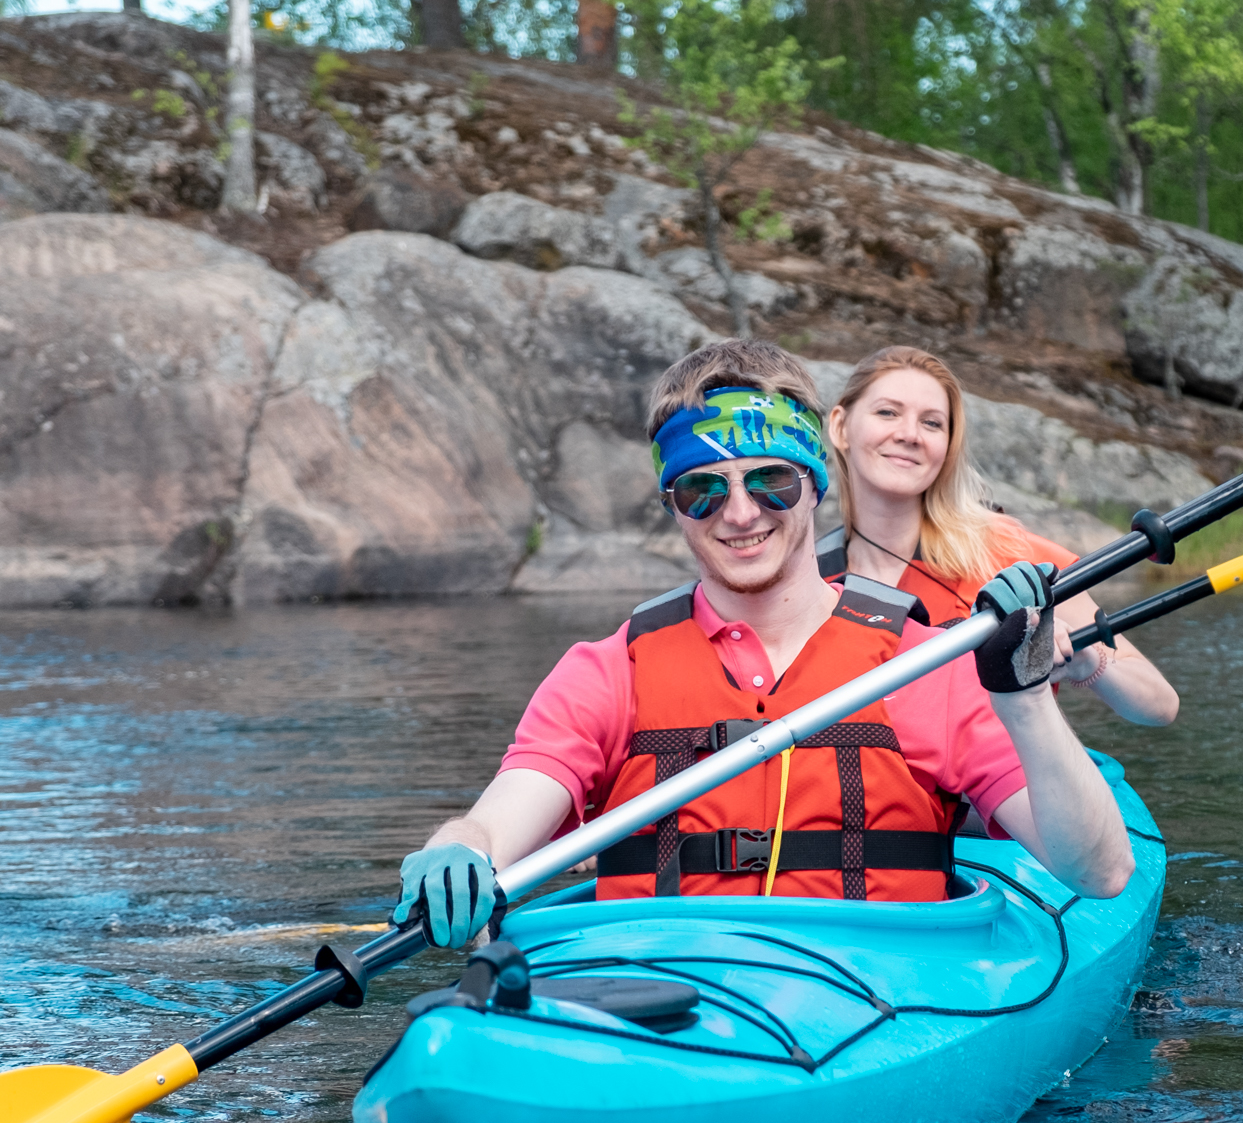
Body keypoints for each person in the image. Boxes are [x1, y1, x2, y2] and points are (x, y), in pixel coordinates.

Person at [391, 338, 1134, 946]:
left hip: (879, 997)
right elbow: (497, 821)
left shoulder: (922, 661)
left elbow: (1098, 872)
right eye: (702, 491)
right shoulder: (610, 670)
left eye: (770, 481)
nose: (740, 513)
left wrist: (1026, 701)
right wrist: (457, 847)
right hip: (650, 1000)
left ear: (814, 482)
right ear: (674, 508)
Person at [820, 346, 1179, 726]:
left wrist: (1087, 660)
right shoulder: (807, 576)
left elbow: (1159, 706)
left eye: (932, 423)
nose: (909, 434)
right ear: (841, 426)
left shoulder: (1011, 554)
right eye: (887, 412)